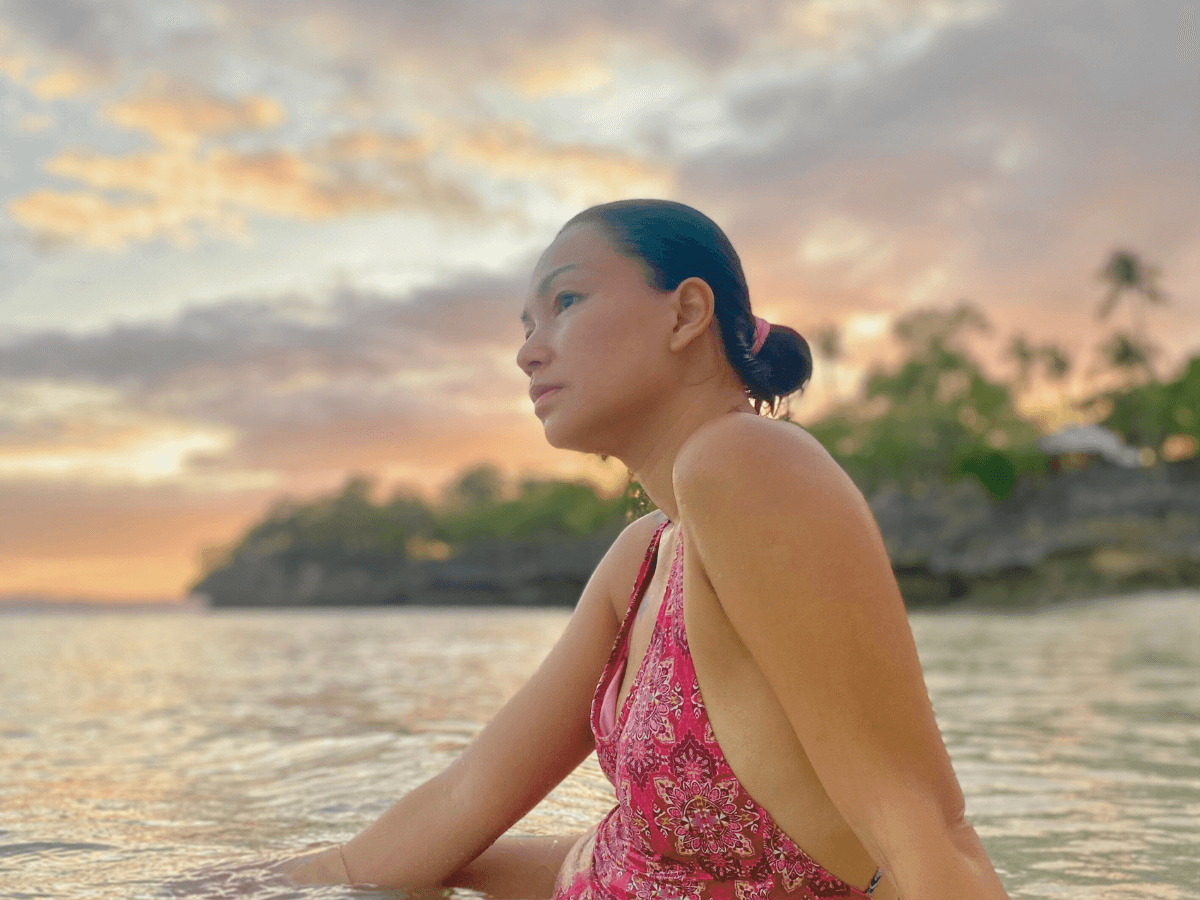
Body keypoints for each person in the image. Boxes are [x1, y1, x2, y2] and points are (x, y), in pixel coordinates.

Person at [279, 199, 1012, 900]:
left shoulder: (746, 463)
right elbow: (468, 794)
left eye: (566, 303)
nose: (528, 353)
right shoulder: (645, 554)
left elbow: (919, 822)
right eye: (528, 323)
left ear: (687, 313)